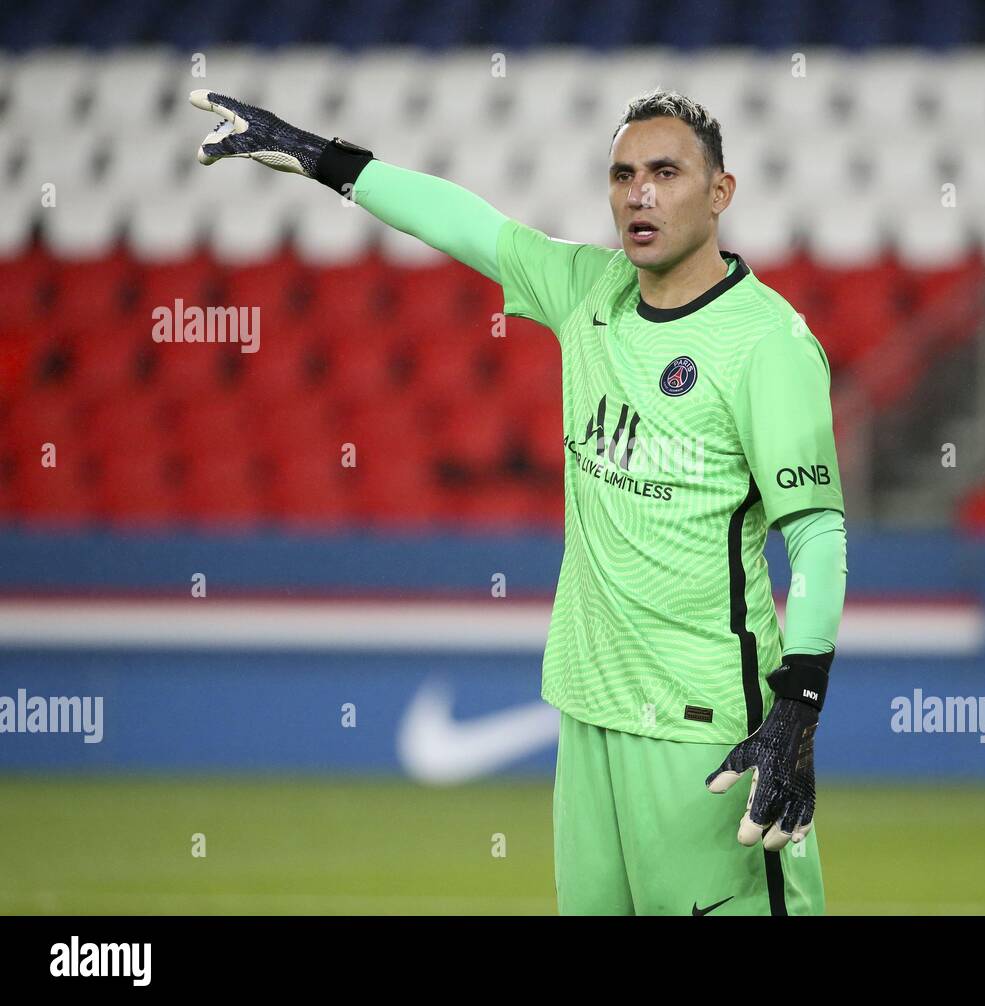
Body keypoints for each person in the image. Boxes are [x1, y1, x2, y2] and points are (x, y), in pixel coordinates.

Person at [189, 84, 848, 915]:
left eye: (666, 172)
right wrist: (320, 156)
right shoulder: (586, 290)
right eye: (621, 174)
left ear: (721, 192)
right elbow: (465, 224)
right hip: (588, 705)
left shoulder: (768, 344)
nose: (639, 193)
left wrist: (801, 700)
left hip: (704, 724)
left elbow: (818, 534)